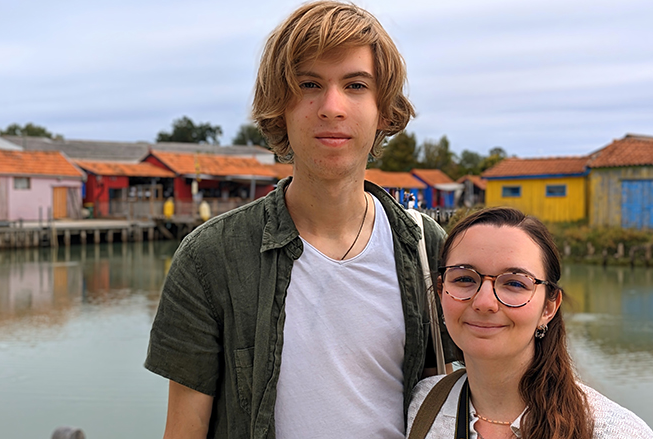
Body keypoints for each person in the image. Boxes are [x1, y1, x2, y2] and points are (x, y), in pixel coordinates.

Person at [145, 2, 456, 438]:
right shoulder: (210, 258)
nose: (332, 107)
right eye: (309, 84)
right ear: (280, 107)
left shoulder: (427, 248)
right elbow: (185, 428)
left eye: (355, 85)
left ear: (384, 110)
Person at [406, 206, 653, 439]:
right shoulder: (424, 404)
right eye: (464, 279)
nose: (484, 302)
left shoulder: (614, 432)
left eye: (515, 283)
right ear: (441, 292)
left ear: (549, 307)